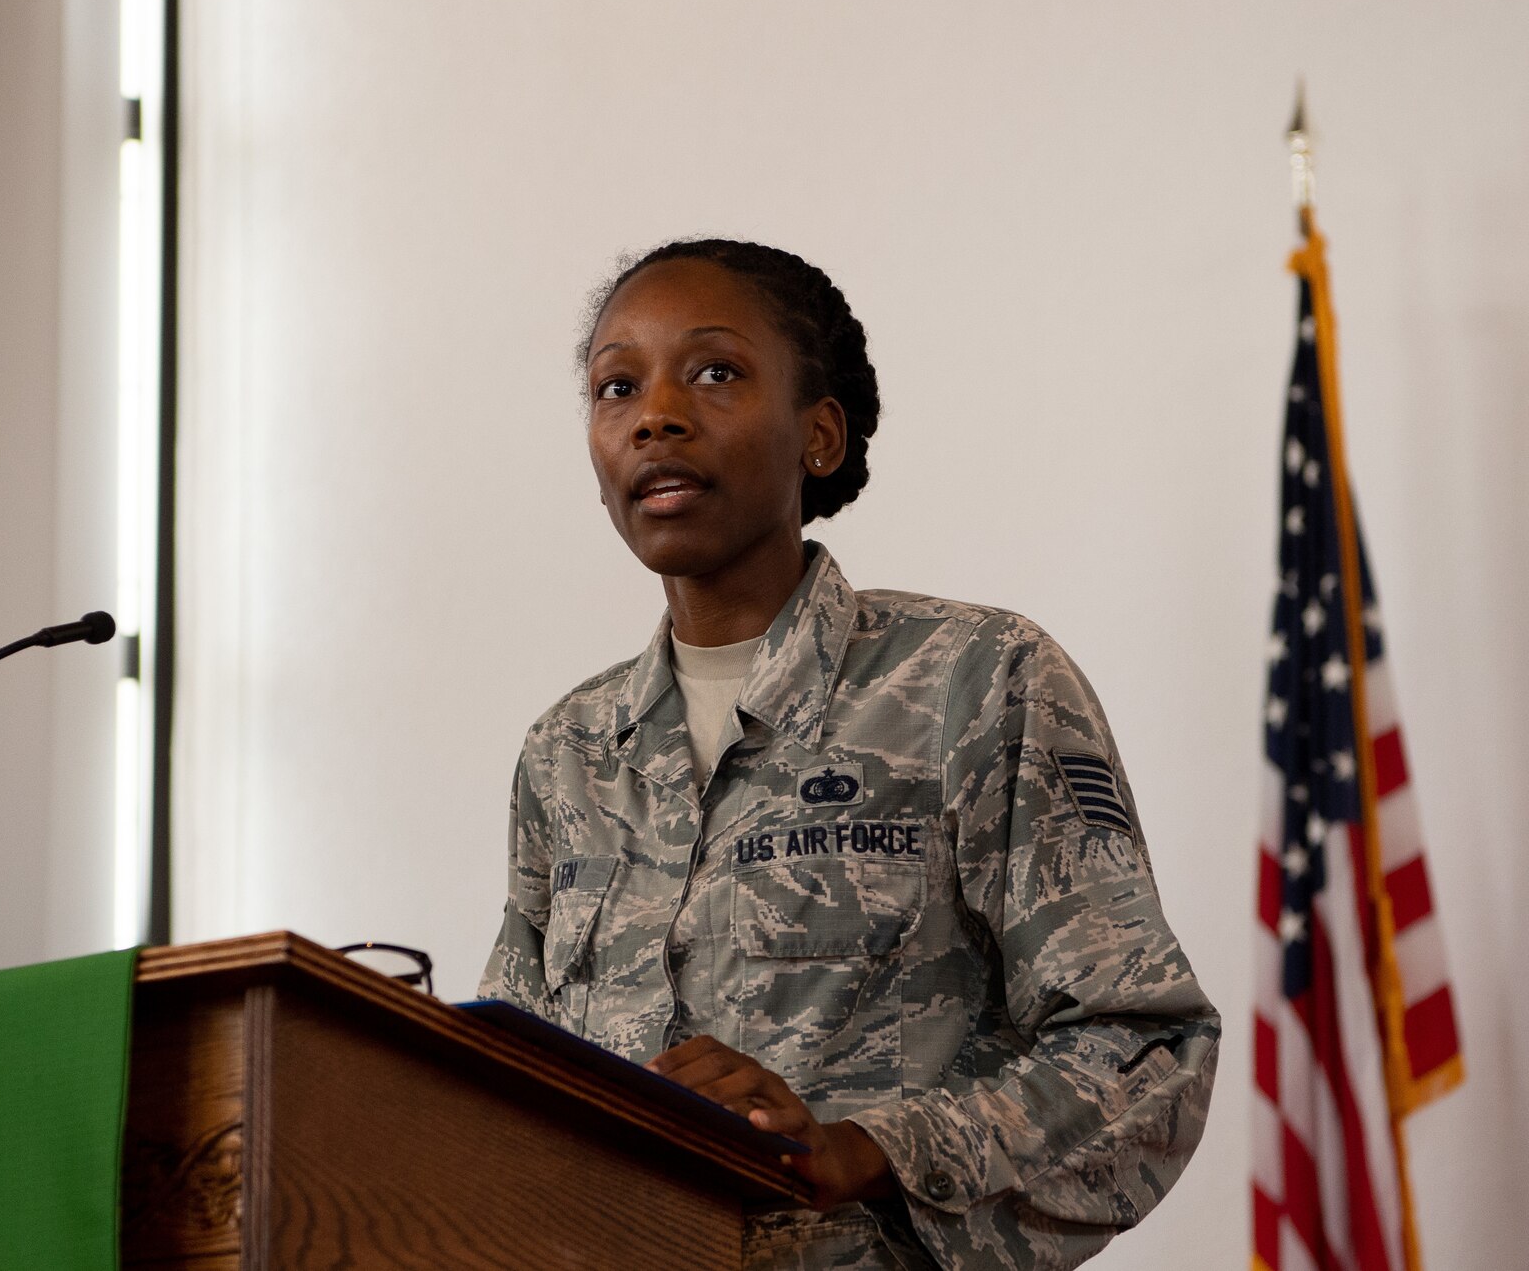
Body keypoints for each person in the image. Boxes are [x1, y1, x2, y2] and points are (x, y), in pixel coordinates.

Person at [477, 239, 1219, 1270]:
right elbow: (499, 1101)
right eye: (616, 384)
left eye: (714, 371)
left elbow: (1141, 1055)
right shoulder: (566, 752)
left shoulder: (978, 679)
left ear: (816, 435)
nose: (654, 414)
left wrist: (865, 1150)